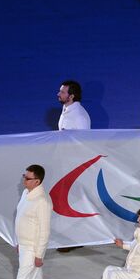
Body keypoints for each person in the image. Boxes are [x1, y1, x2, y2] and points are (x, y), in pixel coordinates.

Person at [56, 79, 90, 252]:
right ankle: (71, 237)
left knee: (75, 202)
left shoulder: (80, 116)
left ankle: (78, 238)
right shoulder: (67, 110)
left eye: (62, 92)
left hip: (75, 166)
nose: (58, 94)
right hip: (65, 164)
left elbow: (83, 144)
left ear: (72, 96)